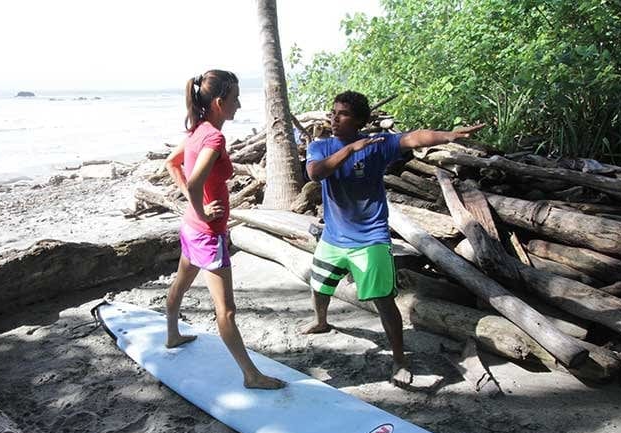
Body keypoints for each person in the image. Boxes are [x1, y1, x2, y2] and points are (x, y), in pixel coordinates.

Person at [301, 90, 484, 386]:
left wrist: (448, 135)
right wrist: (348, 150)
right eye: (333, 112)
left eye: (343, 114)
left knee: (383, 300)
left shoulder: (377, 145)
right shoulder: (321, 147)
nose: (334, 118)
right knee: (319, 285)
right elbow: (315, 174)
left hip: (370, 238)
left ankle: (399, 360)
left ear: (359, 120)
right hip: (333, 236)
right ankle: (321, 321)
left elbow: (413, 137)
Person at [164, 70, 284, 390]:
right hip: (206, 233)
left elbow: (171, 163)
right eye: (236, 99)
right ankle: (250, 374)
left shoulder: (197, 130)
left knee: (181, 283)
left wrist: (193, 209)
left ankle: (173, 334)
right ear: (219, 102)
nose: (240, 105)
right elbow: (192, 181)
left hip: (191, 229)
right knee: (226, 310)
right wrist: (203, 212)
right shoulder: (214, 137)